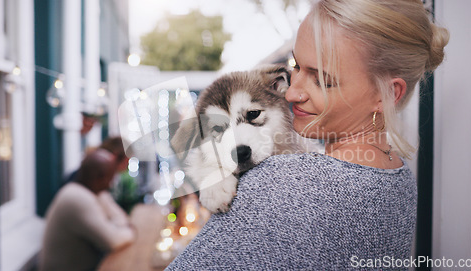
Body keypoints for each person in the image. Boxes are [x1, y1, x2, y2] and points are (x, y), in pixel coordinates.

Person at [166, 0, 449, 270]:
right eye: (297, 67)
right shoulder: (400, 178)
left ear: (386, 93)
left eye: (322, 80)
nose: (291, 92)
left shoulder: (284, 182)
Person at [39, 149, 136, 271]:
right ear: (99, 178)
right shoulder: (76, 199)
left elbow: (121, 218)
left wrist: (121, 227)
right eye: (110, 178)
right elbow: (112, 240)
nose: (110, 184)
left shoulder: (94, 192)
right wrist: (131, 231)